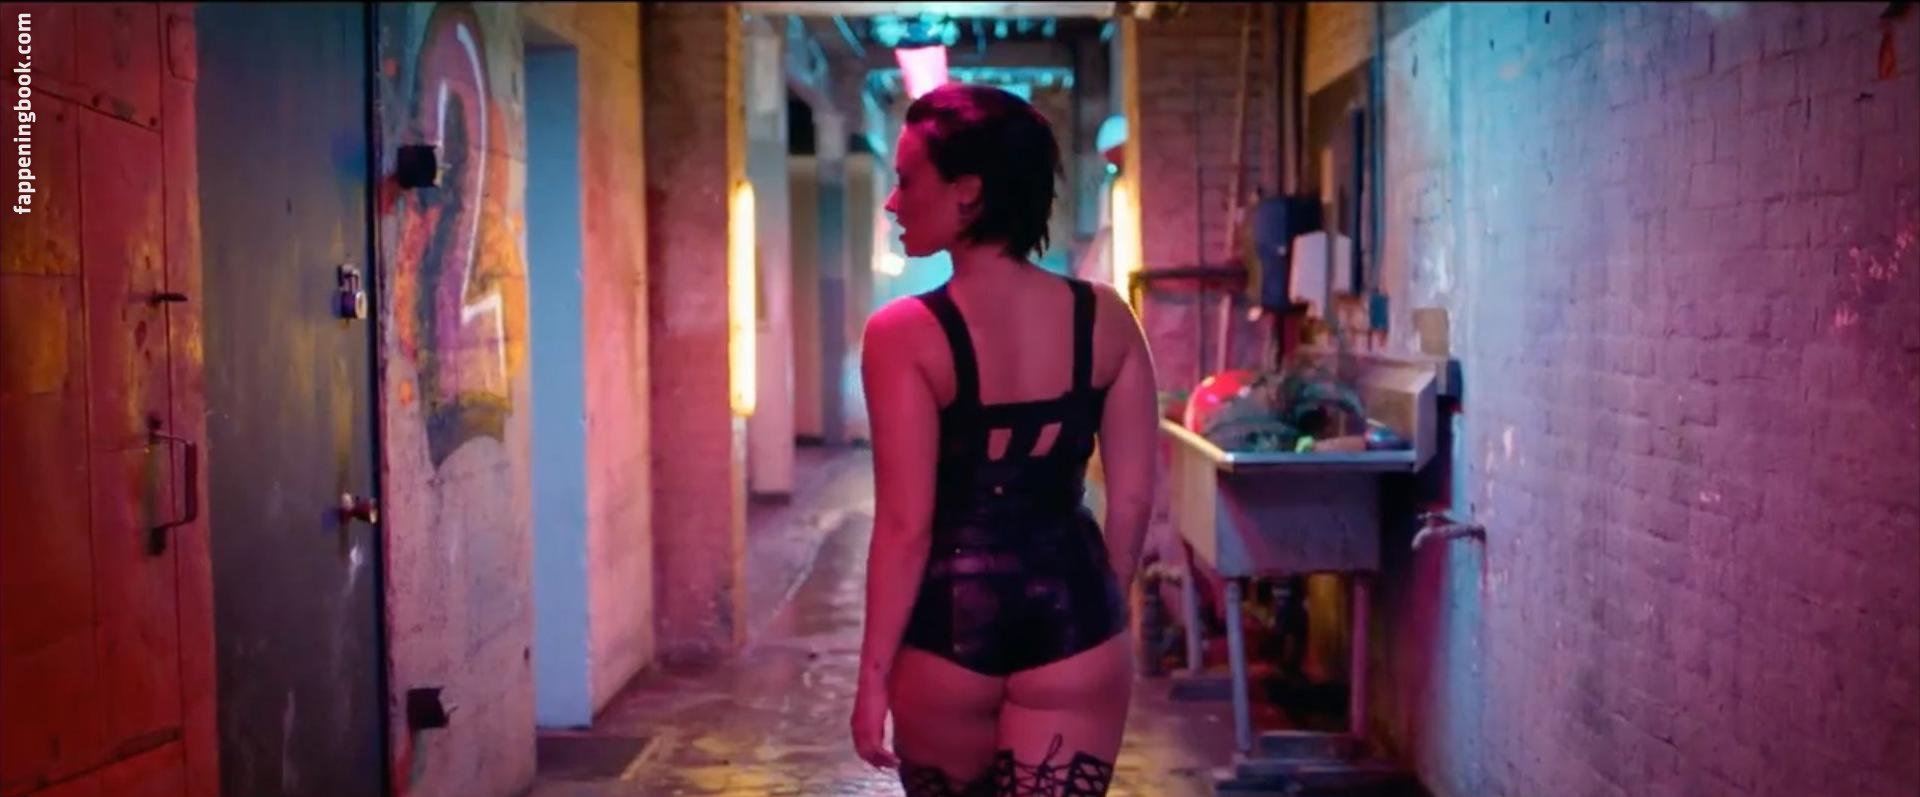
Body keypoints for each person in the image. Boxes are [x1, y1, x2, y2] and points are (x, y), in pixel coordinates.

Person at [850, 82, 1160, 797]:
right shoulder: (1108, 318)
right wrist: (1097, 611)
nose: (893, 202)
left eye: (906, 180)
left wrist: (871, 677)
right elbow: (1134, 498)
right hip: (1076, 615)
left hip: (946, 630)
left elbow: (904, 527)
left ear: (967, 192)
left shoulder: (902, 336)